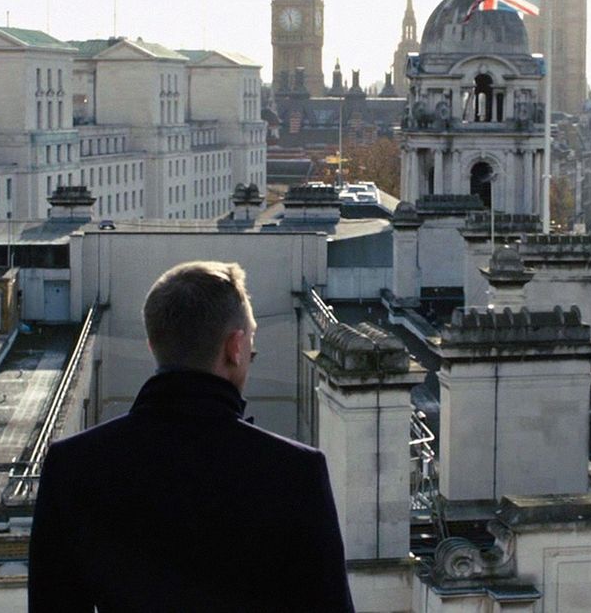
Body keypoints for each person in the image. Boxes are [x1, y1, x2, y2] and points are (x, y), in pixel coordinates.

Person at [28, 261, 354, 612]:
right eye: (252, 346)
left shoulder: (73, 467)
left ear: (153, 345)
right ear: (236, 348)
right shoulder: (295, 474)